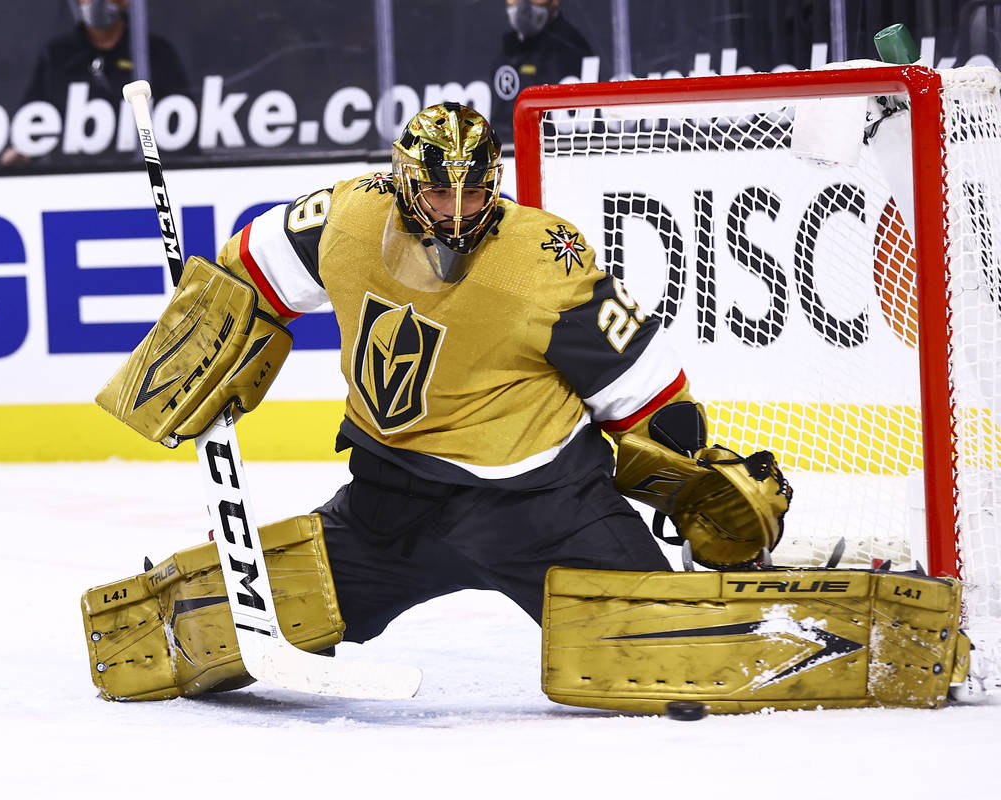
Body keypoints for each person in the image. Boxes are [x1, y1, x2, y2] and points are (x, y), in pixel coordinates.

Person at [210, 101, 698, 642]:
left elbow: (638, 381)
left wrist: (696, 481)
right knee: (211, 629)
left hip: (543, 508)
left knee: (666, 647)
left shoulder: (543, 257)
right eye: (440, 192)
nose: (458, 212)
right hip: (389, 504)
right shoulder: (349, 217)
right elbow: (246, 273)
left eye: (473, 191)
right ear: (403, 181)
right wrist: (204, 340)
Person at [2, 0, 189, 164]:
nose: (96, 2)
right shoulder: (57, 55)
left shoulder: (154, 52)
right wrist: (23, 152)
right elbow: (32, 123)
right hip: (71, 178)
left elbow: (181, 127)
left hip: (137, 176)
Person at [492, 0, 595, 142]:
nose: (523, 4)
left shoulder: (572, 51)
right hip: (511, 156)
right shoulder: (505, 51)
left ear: (555, 2)